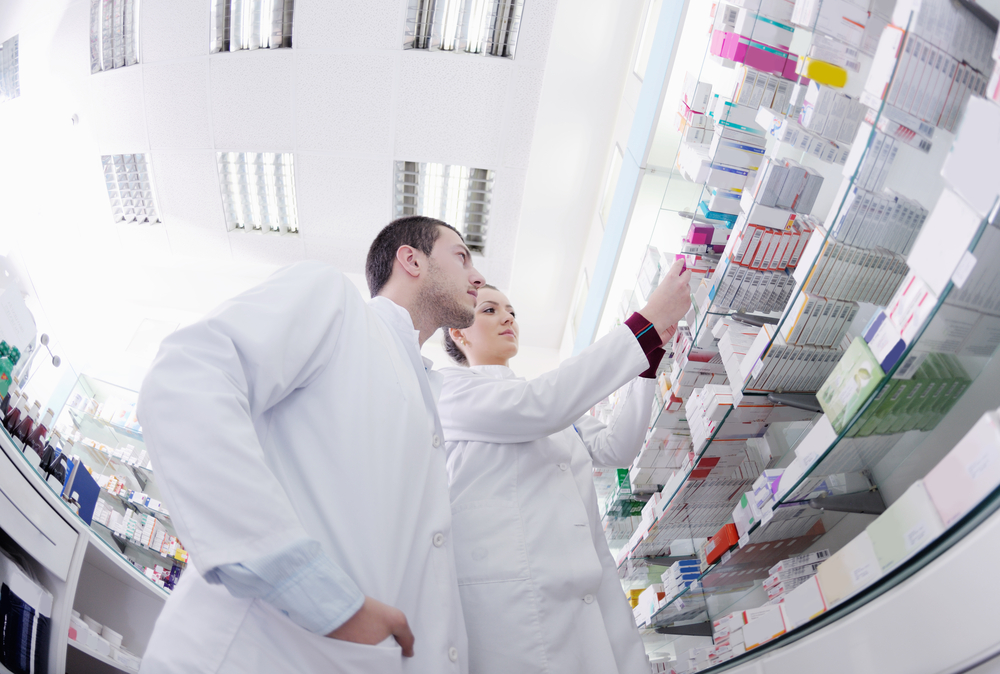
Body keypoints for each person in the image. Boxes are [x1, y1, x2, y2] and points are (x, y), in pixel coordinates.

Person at [136, 217, 485, 674]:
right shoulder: (334, 302)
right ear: (411, 259)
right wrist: (306, 584)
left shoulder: (422, 393)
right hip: (254, 654)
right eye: (461, 256)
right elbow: (187, 379)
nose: (477, 276)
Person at [436, 259, 692, 674]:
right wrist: (643, 324)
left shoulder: (545, 400)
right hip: (518, 604)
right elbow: (535, 409)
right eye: (490, 310)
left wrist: (646, 370)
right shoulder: (450, 390)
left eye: (511, 312)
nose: (507, 318)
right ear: (458, 331)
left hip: (590, 590)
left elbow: (616, 447)